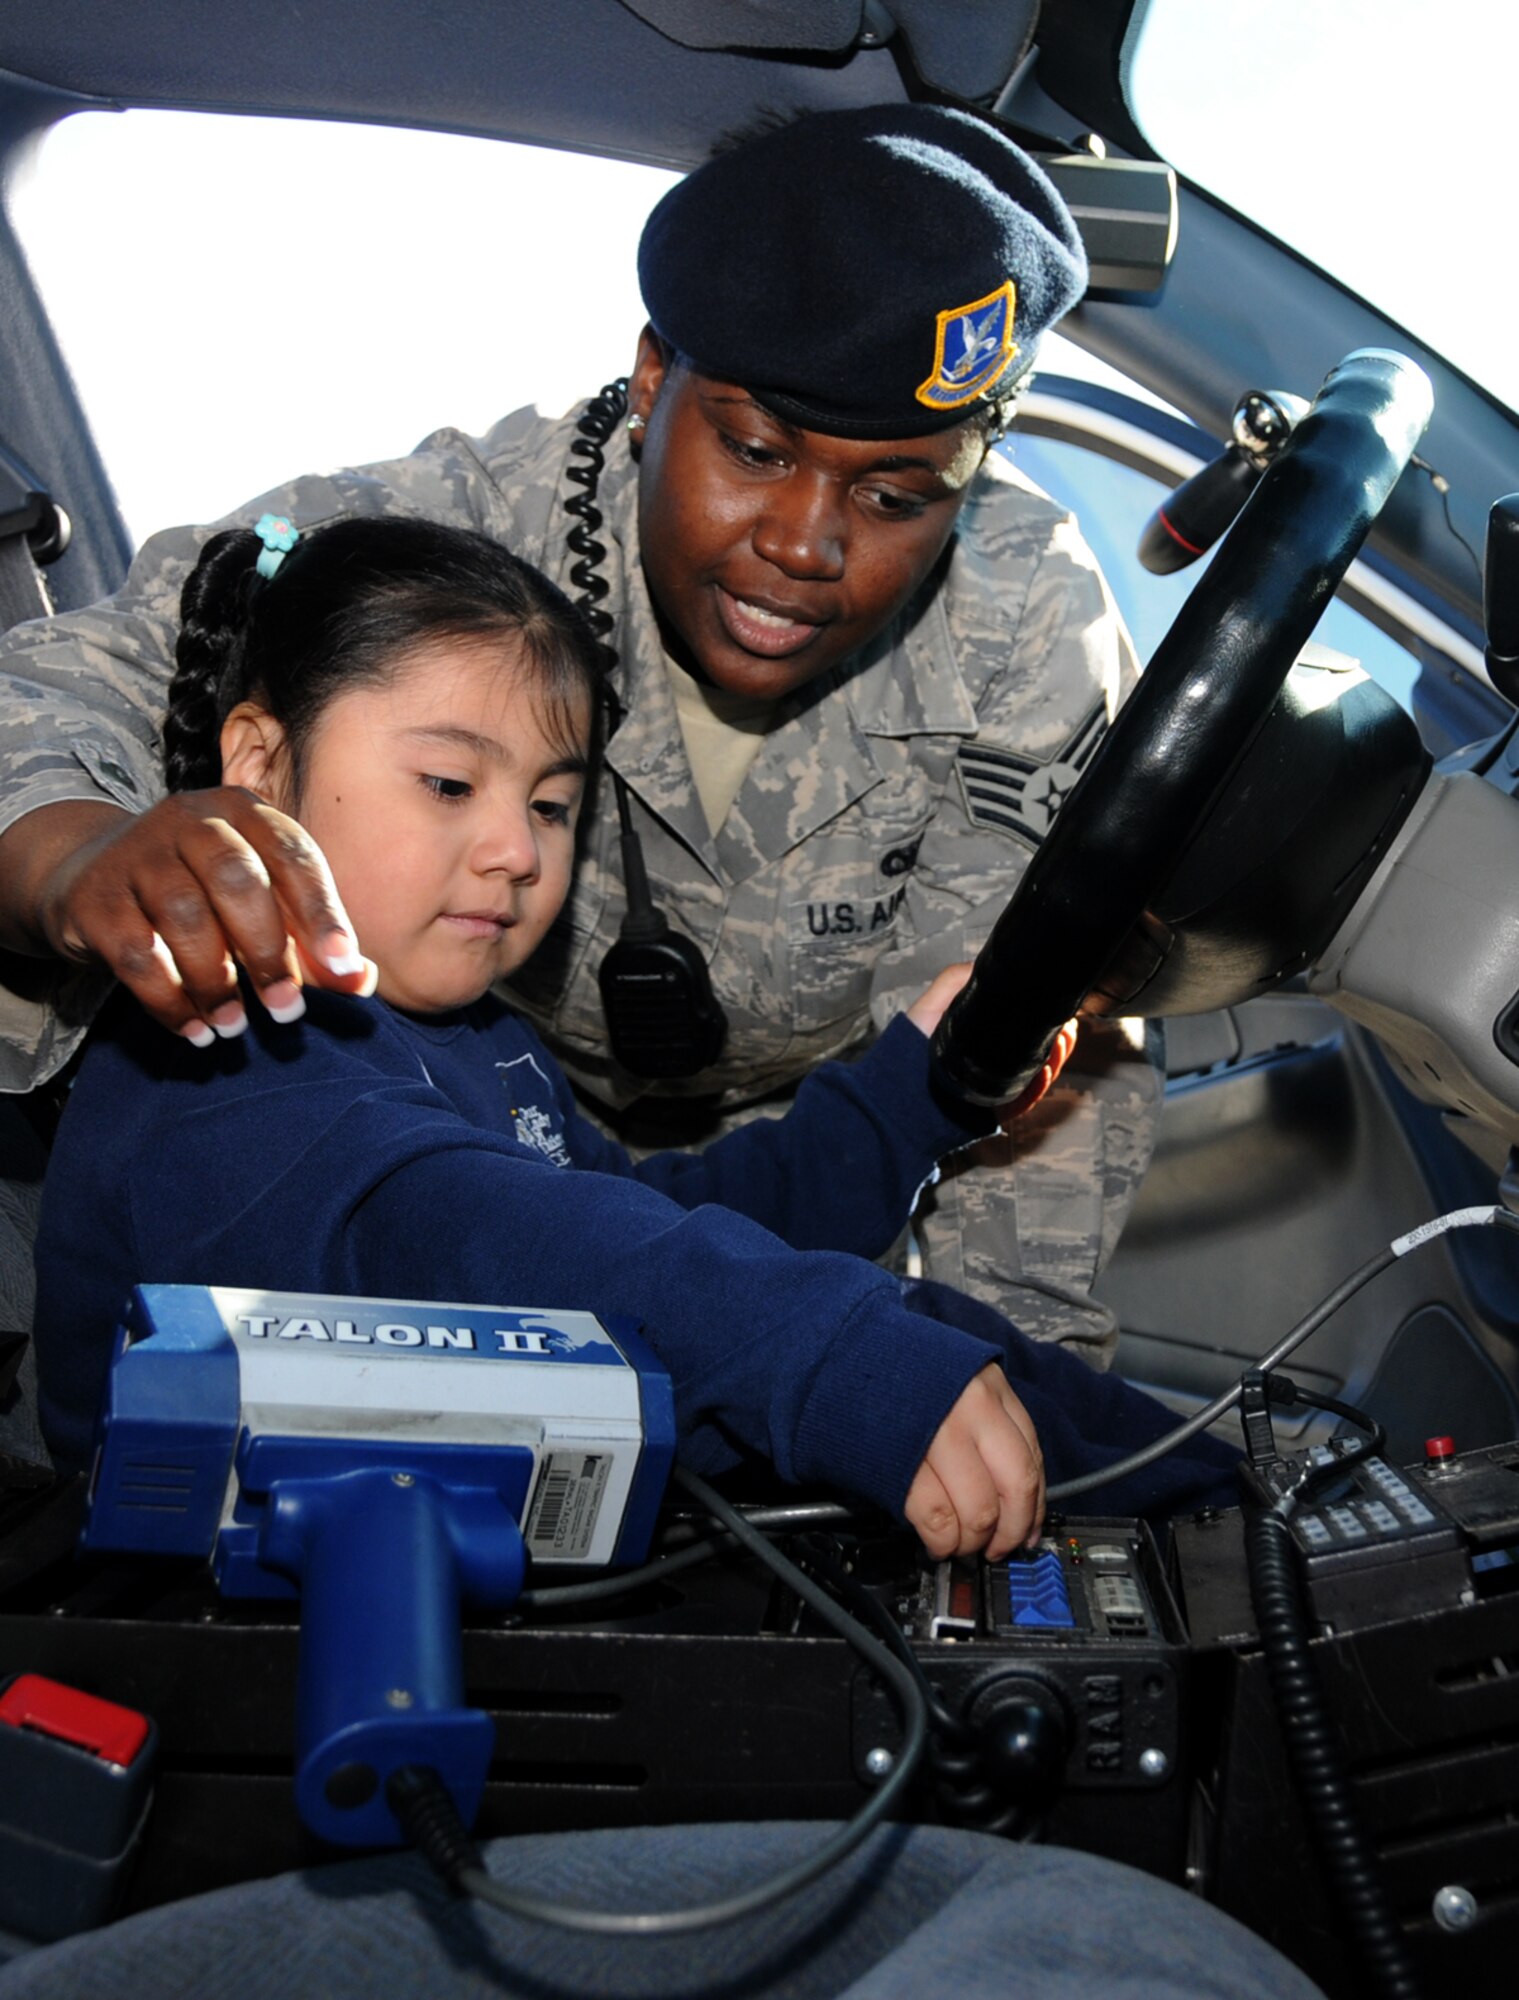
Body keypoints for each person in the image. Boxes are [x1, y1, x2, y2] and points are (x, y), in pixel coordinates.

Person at [0, 104, 1156, 1361]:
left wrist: (1008, 1403)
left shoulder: (1025, 617)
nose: (805, 543)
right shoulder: (457, 534)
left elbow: (1013, 1035)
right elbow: (67, 679)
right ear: (655, 378)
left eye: (895, 494)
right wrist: (71, 855)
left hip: (786, 1196)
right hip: (442, 1163)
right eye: (755, 450)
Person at [32, 512, 1238, 1537]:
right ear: (257, 760)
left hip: (449, 1529)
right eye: (449, 784)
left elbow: (657, 1222)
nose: (515, 852)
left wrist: (905, 1098)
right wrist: (819, 1349)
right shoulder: (231, 1043)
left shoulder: (471, 1043)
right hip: (235, 1633)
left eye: (552, 806)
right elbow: (472, 1230)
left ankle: (1253, 1512)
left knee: (927, 1324)